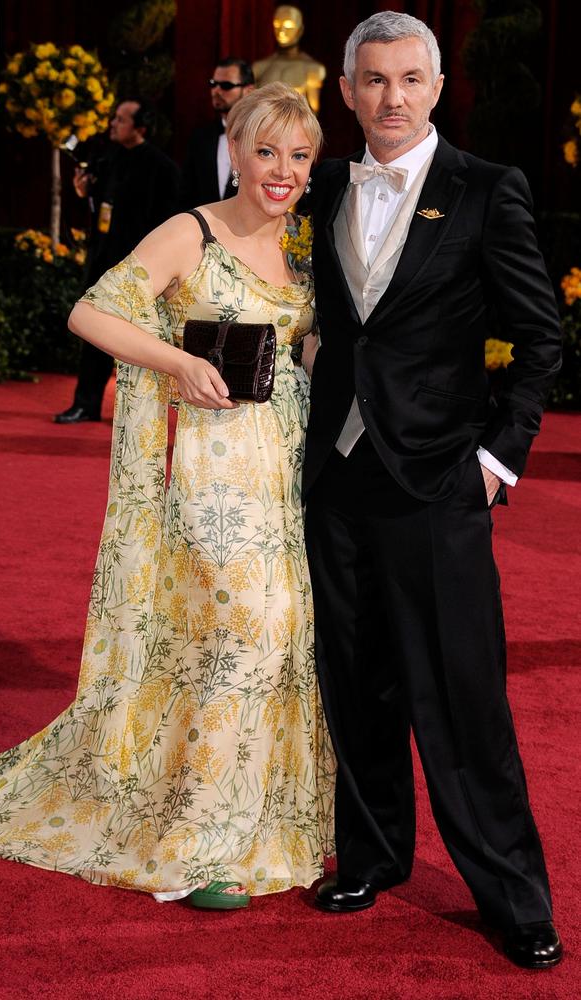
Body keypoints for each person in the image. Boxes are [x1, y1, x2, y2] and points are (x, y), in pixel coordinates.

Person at [0, 83, 333, 910]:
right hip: (207, 473)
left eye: (299, 156)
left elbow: (309, 348)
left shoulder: (306, 246)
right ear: (237, 150)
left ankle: (257, 819)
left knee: (285, 635)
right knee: (235, 633)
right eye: (267, 152)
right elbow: (92, 312)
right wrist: (177, 361)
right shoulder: (192, 229)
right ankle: (194, 833)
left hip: (287, 471)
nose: (282, 171)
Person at [302, 11, 563, 968]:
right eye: (373, 80)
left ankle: (513, 895)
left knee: (461, 695)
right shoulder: (324, 181)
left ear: (437, 85)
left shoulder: (489, 190)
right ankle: (373, 856)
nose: (392, 98)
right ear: (347, 91)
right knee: (356, 678)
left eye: (410, 79)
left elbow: (542, 340)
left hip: (440, 480)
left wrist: (497, 459)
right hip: (334, 475)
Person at [54, 100, 180, 424]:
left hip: (141, 267)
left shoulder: (161, 167)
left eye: (121, 120)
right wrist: (83, 191)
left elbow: (167, 220)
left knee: (140, 340)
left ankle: (143, 414)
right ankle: (85, 403)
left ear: (140, 127)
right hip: (102, 258)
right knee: (94, 334)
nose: (113, 124)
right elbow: (98, 199)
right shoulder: (107, 156)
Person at [178, 57, 254, 210]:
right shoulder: (200, 138)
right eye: (213, 84)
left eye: (226, 85)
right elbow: (186, 195)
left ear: (248, 91)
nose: (216, 91)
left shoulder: (262, 137)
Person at [253, 5, 326, 113]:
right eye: (277, 25)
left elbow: (313, 111)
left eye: (288, 26)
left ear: (300, 29)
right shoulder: (259, 67)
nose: (281, 31)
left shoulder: (312, 69)